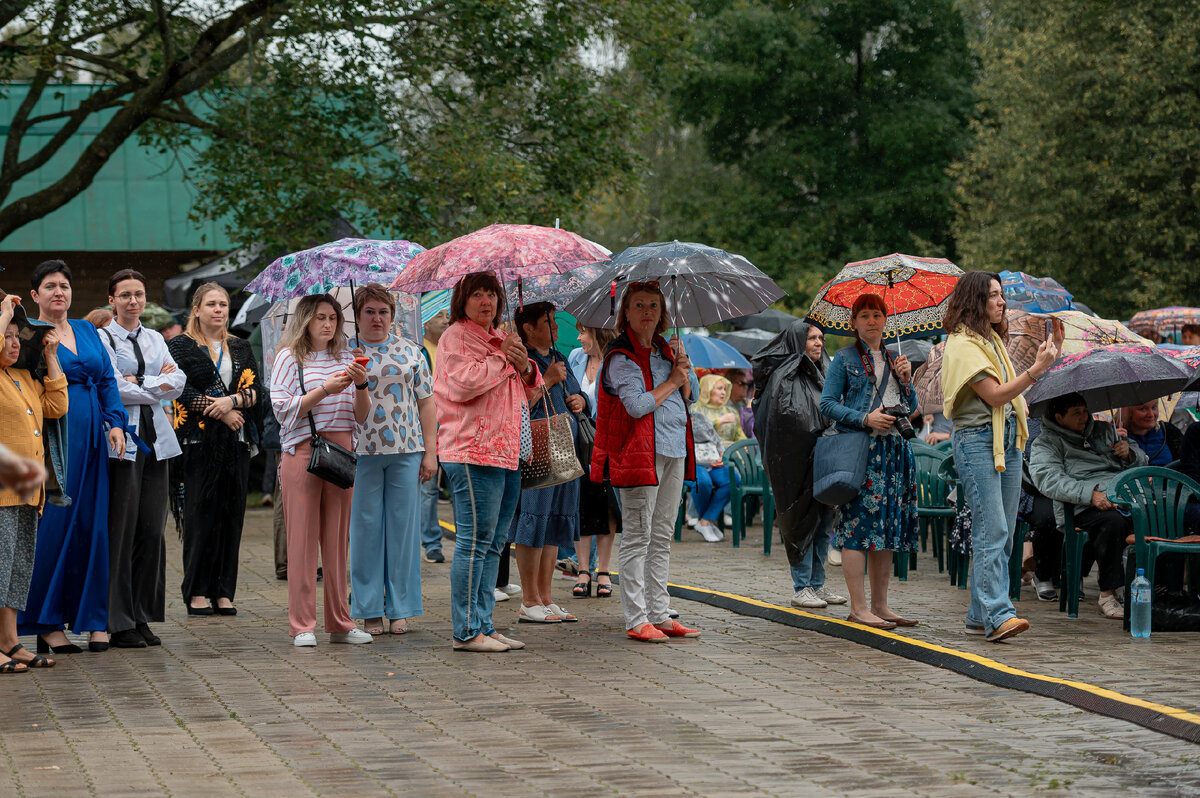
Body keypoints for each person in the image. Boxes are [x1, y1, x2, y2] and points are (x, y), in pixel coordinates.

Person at [941, 271, 1059, 642]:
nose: (1002, 302)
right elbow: (994, 395)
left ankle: (979, 613)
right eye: (994, 295)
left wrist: (1038, 370)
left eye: (1002, 295)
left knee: (1003, 533)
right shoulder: (962, 345)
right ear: (976, 301)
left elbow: (1009, 396)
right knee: (993, 530)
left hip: (1006, 440)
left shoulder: (989, 341)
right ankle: (997, 614)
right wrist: (1036, 371)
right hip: (977, 440)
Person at [20, 260, 127, 655]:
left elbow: (106, 381)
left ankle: (93, 618)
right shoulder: (29, 334)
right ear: (36, 295)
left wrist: (116, 423)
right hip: (54, 444)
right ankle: (46, 623)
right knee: (54, 528)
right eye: (49, 286)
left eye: (63, 285)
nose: (58, 292)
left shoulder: (87, 330)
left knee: (92, 528)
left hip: (95, 443)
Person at [435, 272, 541, 653]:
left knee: (495, 543)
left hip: (506, 451)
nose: (486, 301)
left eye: (492, 294)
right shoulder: (455, 338)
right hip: (471, 451)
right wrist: (503, 358)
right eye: (477, 294)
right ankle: (466, 631)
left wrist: (525, 365)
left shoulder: (501, 338)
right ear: (462, 300)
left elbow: (529, 390)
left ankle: (484, 624)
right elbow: (463, 384)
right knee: (474, 542)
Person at [592, 281, 700, 643]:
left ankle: (660, 612)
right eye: (639, 305)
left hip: (673, 449)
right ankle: (636, 617)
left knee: (662, 535)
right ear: (626, 312)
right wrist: (672, 380)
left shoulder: (666, 350)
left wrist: (683, 366)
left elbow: (693, 395)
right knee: (638, 535)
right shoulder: (620, 356)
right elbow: (637, 405)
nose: (647, 312)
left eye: (654, 306)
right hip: (639, 455)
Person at [271, 294, 371, 646]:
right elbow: (282, 409)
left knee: (337, 541)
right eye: (320, 318)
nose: (328, 324)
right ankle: (302, 625)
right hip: (303, 451)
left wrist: (360, 385)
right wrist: (324, 390)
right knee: (300, 542)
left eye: (333, 317)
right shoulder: (288, 358)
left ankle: (340, 622)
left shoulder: (347, 355)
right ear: (305, 321)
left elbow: (361, 416)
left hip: (342, 450)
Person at [818, 293, 918, 630]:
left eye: (877, 315)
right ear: (854, 323)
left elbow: (911, 405)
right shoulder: (844, 359)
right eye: (864, 316)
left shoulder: (895, 358)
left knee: (885, 530)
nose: (871, 321)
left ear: (885, 320)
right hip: (862, 451)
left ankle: (881, 606)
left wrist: (907, 380)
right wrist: (864, 418)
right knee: (857, 528)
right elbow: (828, 404)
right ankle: (858, 607)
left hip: (894, 453)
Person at [98, 270, 185, 648]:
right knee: (124, 529)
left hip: (158, 440)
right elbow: (113, 385)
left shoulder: (153, 338)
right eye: (125, 295)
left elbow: (178, 381)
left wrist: (138, 383)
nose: (133, 301)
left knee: (152, 530)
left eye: (139, 295)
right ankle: (118, 621)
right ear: (112, 300)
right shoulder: (103, 337)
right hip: (125, 440)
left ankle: (142, 614)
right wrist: (149, 385)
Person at [347, 284, 437, 636]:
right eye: (369, 311)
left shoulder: (411, 351)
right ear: (357, 316)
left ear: (393, 316)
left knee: (402, 532)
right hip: (362, 453)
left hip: (407, 450)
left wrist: (431, 452)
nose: (377, 318)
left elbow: (427, 402)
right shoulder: (347, 354)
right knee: (366, 531)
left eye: (383, 312)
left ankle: (400, 606)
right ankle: (369, 607)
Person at [168, 283, 260, 618]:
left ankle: (223, 591)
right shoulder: (180, 346)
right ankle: (196, 592)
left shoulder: (239, 346)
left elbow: (255, 390)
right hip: (197, 443)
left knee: (231, 518)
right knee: (199, 517)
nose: (219, 310)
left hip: (235, 444)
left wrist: (232, 402)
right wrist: (221, 410)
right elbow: (179, 388)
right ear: (196, 309)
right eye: (211, 304)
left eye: (223, 304)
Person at [753, 320, 847, 609]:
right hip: (795, 466)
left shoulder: (824, 372)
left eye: (821, 338)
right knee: (800, 524)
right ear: (798, 342)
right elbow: (784, 422)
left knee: (822, 525)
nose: (819, 343)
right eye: (812, 339)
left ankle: (816, 584)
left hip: (823, 460)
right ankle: (801, 586)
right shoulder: (785, 377)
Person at [1029, 392, 1146, 619]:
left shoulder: (1104, 431)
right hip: (1079, 506)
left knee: (1158, 518)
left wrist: (1130, 454)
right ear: (1059, 417)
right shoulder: (1046, 443)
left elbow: (1142, 460)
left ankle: (1161, 591)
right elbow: (1049, 480)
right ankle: (1107, 594)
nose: (1084, 417)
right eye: (1076, 414)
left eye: (1085, 411)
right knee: (1112, 523)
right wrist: (1089, 495)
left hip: (1121, 496)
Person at [0, 294, 67, 671]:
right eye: (6, 336)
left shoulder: (24, 376)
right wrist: (7, 312)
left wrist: (52, 355)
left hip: (28, 490)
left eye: (16, 337)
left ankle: (10, 642)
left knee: (16, 570)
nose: (12, 342)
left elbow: (57, 406)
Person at [507, 302, 585, 623]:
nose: (554, 326)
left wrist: (581, 400)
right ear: (528, 328)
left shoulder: (559, 357)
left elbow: (577, 395)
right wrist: (548, 380)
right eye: (547, 321)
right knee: (533, 517)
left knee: (555, 519)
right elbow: (518, 401)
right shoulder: (519, 359)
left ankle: (546, 596)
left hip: (564, 445)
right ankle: (529, 599)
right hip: (535, 446)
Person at [567, 324, 621, 598]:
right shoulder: (576, 357)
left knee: (607, 504)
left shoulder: (616, 360)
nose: (579, 338)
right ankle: (583, 570)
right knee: (582, 502)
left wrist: (587, 402)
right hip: (579, 440)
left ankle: (604, 570)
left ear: (598, 333)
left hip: (607, 439)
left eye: (584, 332)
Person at [419, 309, 450, 564]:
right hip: (429, 427)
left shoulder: (451, 348)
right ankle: (431, 543)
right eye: (439, 316)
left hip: (453, 426)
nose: (446, 320)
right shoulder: (420, 352)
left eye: (447, 315)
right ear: (426, 322)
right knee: (428, 488)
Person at [688, 411, 730, 543]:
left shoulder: (700, 415)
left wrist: (722, 456)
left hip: (711, 460)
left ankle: (706, 520)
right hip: (689, 462)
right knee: (703, 482)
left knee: (733, 479)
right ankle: (706, 522)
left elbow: (715, 439)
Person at [1117, 399, 1182, 466]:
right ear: (1128, 412)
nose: (1151, 414)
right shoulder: (1117, 436)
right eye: (1143, 409)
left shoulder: (1169, 431)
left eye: (1154, 407)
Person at [693, 374, 746, 450]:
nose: (723, 393)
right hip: (706, 454)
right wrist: (719, 421)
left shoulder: (731, 411)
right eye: (719, 388)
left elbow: (739, 435)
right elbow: (696, 433)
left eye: (725, 389)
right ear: (708, 390)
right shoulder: (696, 409)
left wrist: (744, 444)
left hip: (730, 453)